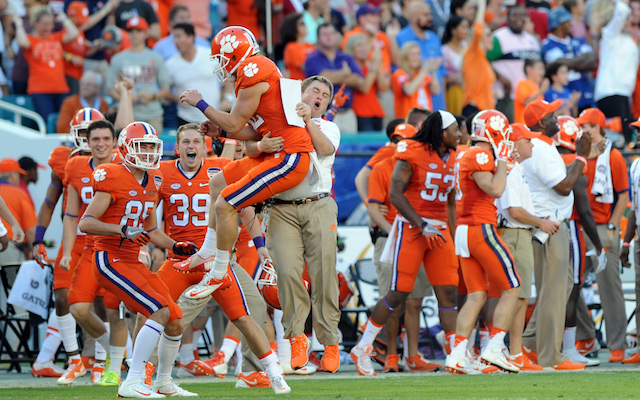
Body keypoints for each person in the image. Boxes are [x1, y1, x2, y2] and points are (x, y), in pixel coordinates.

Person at [177, 26, 313, 392]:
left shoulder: (254, 68)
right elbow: (247, 132)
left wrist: (202, 103)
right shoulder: (252, 74)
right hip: (272, 149)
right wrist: (218, 132)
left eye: (223, 58)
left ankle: (218, 268)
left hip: (288, 155)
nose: (222, 65)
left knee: (225, 202)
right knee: (219, 178)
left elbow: (237, 123)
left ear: (238, 53)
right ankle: (211, 250)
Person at [155, 124, 290, 391]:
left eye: (197, 141)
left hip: (221, 258)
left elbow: (244, 209)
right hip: (183, 260)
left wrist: (259, 243)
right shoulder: (162, 172)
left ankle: (251, 372)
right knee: (166, 316)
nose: (191, 146)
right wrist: (150, 244)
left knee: (254, 306)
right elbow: (148, 210)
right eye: (186, 142)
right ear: (177, 147)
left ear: (205, 146)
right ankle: (146, 372)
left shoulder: (221, 168)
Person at [78, 122, 195, 398]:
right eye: (141, 146)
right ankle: (132, 380)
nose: (147, 152)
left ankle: (163, 381)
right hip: (109, 257)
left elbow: (153, 230)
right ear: (125, 147)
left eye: (151, 147)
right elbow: (86, 222)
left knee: (175, 318)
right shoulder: (111, 175)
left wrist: (175, 245)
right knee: (158, 310)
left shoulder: (154, 178)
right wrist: (122, 230)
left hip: (132, 260)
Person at [242, 76, 342, 373]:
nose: (320, 96)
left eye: (325, 94)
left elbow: (324, 149)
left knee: (324, 272)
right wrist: (261, 144)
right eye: (315, 91)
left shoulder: (328, 126)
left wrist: (308, 120)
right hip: (281, 206)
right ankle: (297, 337)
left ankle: (330, 340)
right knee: (286, 272)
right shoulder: (278, 121)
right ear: (301, 93)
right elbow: (249, 147)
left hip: (318, 203)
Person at [351, 111, 460, 377]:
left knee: (448, 293)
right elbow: (395, 195)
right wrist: (422, 224)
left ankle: (457, 354)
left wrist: (454, 236)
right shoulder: (411, 151)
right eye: (455, 129)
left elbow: (450, 203)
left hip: (440, 230)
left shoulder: (455, 157)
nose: (459, 134)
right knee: (398, 292)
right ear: (442, 132)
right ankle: (363, 347)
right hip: (412, 229)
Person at [447, 109, 520, 375]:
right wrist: (502, 161)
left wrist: (500, 163)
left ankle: (457, 353)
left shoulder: (465, 153)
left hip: (466, 230)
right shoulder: (481, 154)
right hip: (480, 227)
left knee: (476, 295)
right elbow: (495, 189)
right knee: (512, 286)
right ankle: (494, 346)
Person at [520, 99, 591, 370]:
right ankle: (551, 354)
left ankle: (528, 344)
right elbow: (564, 187)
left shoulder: (541, 146)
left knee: (556, 289)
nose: (557, 119)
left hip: (548, 223)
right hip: (550, 225)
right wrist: (582, 157)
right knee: (554, 291)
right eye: (552, 115)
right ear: (541, 123)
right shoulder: (540, 148)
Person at [366, 122, 437, 373]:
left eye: (405, 140)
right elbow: (373, 206)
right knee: (392, 299)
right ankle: (392, 354)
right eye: (397, 140)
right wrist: (391, 230)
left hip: (416, 236)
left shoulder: (424, 166)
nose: (400, 145)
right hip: (391, 238)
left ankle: (413, 355)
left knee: (416, 300)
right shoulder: (382, 167)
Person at [59, 120, 122, 385]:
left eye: (106, 138)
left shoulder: (126, 165)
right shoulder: (74, 165)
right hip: (89, 246)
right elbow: (72, 215)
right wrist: (65, 251)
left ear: (115, 141)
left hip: (121, 248)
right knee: (78, 307)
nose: (100, 144)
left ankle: (117, 369)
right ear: (87, 141)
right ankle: (109, 352)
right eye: (95, 139)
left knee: (114, 309)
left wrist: (145, 246)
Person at [575, 107, 630, 363]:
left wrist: (612, 226)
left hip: (601, 226)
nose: (580, 129)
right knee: (566, 285)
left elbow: (623, 195)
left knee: (609, 288)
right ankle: (586, 336)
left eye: (584, 125)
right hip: (578, 226)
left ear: (596, 127)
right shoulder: (579, 154)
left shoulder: (614, 156)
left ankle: (617, 345)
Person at [494, 123, 548, 372]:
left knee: (521, 296)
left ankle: (511, 351)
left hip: (519, 233)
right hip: (514, 233)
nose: (532, 144)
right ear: (514, 143)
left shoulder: (516, 169)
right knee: (518, 295)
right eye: (527, 140)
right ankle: (511, 352)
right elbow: (514, 210)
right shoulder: (511, 171)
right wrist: (541, 223)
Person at [554, 115, 604, 367]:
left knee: (552, 292)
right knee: (571, 291)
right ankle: (568, 348)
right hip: (569, 228)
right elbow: (584, 212)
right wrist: (598, 244)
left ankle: (547, 347)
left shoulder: (548, 159)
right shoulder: (574, 164)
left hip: (546, 229)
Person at [13, 7, 79, 126]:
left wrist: (64, 18)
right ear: (35, 23)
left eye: (51, 23)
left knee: (64, 124)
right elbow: (22, 42)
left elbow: (74, 34)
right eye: (45, 24)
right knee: (47, 122)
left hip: (61, 88)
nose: (49, 27)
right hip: (40, 90)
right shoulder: (31, 40)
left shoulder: (56, 37)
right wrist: (19, 25)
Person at [107, 17, 170, 133]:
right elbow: (110, 88)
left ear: (146, 34)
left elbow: (166, 89)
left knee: (152, 148)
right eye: (131, 31)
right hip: (126, 114)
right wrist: (126, 98)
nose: (134, 35)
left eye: (138, 31)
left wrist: (152, 96)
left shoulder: (156, 58)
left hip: (152, 114)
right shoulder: (118, 59)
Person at [166, 23, 232, 126]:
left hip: (215, 114)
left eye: (179, 36)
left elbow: (227, 76)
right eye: (174, 37)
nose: (176, 42)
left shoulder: (209, 55)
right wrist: (177, 97)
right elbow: (166, 91)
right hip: (186, 118)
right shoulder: (170, 64)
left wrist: (227, 98)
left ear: (190, 37)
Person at [305, 22, 365, 134]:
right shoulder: (312, 59)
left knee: (352, 150)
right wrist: (345, 72)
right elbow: (321, 79)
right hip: (323, 113)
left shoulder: (346, 57)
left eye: (332, 33)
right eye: (325, 34)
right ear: (318, 38)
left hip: (347, 113)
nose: (329, 36)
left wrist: (334, 77)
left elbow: (360, 81)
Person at [593, 0, 639, 145]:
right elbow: (621, 12)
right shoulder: (609, 35)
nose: (628, 21)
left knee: (629, 137)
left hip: (624, 95)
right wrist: (623, 3)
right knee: (621, 138)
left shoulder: (630, 40)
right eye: (627, 18)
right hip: (610, 92)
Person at [486, 5, 541, 122]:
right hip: (507, 95)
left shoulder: (531, 40)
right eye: (514, 15)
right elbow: (485, 61)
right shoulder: (499, 37)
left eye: (522, 15)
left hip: (531, 96)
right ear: (508, 18)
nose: (519, 19)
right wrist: (501, 77)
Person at [540, 6, 596, 111]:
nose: (571, 24)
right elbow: (558, 66)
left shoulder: (578, 40)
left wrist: (569, 61)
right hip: (564, 96)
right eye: (567, 21)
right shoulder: (548, 45)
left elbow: (592, 62)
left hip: (584, 90)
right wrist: (582, 59)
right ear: (558, 26)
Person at [396, 2, 447, 112]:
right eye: (425, 15)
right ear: (414, 17)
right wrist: (425, 70)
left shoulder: (433, 37)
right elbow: (397, 64)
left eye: (430, 15)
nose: (430, 18)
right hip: (411, 103)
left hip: (436, 99)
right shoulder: (400, 37)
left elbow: (442, 72)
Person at [344, 33, 388, 132]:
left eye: (365, 45)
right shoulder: (348, 68)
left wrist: (378, 66)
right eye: (359, 45)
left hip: (377, 111)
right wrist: (373, 69)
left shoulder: (369, 66)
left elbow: (383, 88)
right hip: (360, 113)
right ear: (352, 49)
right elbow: (364, 88)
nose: (363, 48)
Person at [461, 0, 495, 117]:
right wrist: (481, 5)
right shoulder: (472, 53)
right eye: (488, 35)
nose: (492, 38)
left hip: (486, 109)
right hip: (474, 108)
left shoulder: (484, 59)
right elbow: (478, 30)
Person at [392, 42, 441, 119]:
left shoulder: (422, 74)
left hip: (425, 118)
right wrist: (424, 71)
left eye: (418, 54)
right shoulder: (399, 74)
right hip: (408, 120)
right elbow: (409, 91)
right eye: (412, 55)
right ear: (405, 57)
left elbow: (436, 91)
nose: (416, 58)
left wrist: (433, 72)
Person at [0, 159, 35, 265]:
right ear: (13, 175)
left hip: (6, 243)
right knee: (11, 281)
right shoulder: (19, 194)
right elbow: (31, 229)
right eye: (18, 174)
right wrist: (33, 250)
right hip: (10, 249)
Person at [441, 16, 469, 115]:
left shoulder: (467, 47)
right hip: (455, 92)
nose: (467, 31)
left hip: (469, 91)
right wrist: (456, 79)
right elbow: (443, 77)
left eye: (467, 27)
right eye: (463, 27)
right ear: (453, 30)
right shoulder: (445, 50)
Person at [281, 13, 315, 81]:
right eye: (302, 23)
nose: (305, 25)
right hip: (298, 86)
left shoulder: (309, 45)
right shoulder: (291, 47)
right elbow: (306, 67)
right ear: (293, 27)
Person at [514, 59, 548, 125]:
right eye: (540, 69)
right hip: (524, 127)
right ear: (528, 69)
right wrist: (542, 90)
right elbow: (526, 102)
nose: (543, 72)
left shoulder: (536, 87)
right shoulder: (522, 83)